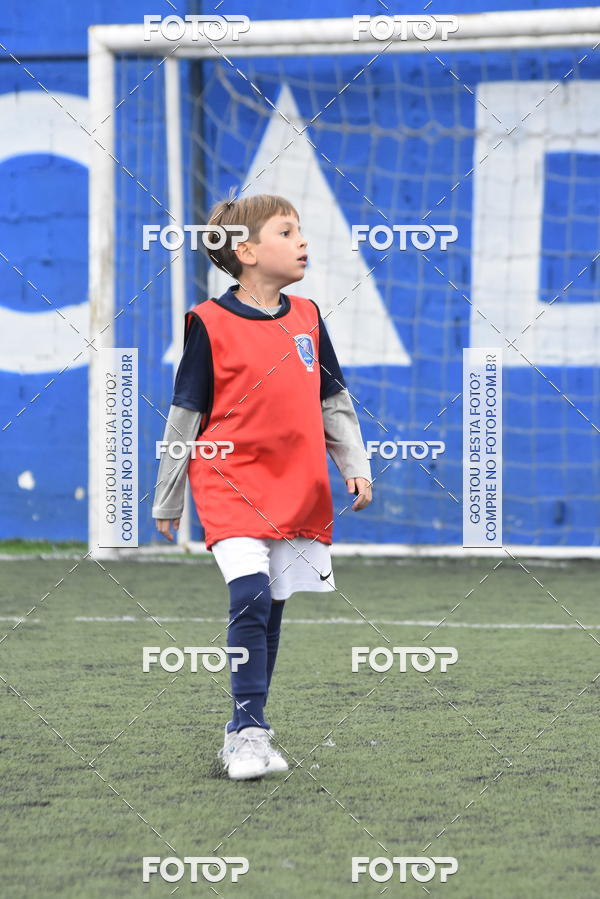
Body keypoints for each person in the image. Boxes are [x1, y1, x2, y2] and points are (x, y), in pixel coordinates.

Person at [152, 191, 372, 780]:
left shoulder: (308, 317)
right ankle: (250, 734)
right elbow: (186, 415)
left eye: (301, 230)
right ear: (246, 251)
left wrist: (355, 460)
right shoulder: (208, 322)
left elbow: (333, 399)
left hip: (297, 489)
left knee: (271, 609)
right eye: (286, 231)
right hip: (228, 483)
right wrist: (168, 495)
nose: (302, 240)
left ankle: (244, 726)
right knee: (248, 594)